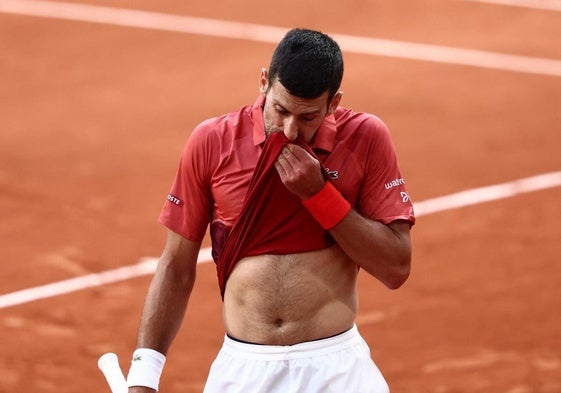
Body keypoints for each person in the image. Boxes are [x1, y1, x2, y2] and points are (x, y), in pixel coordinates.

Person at [126, 28, 415, 393]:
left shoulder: (365, 137)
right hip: (245, 371)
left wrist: (319, 195)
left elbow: (396, 267)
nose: (291, 130)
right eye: (280, 110)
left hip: (336, 369)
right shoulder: (212, 142)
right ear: (264, 82)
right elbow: (176, 266)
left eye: (308, 117)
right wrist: (142, 376)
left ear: (334, 103)